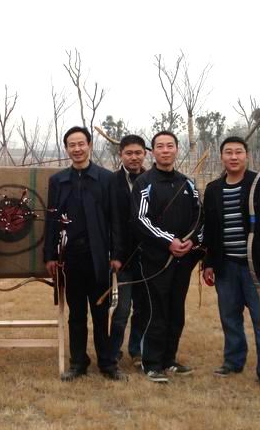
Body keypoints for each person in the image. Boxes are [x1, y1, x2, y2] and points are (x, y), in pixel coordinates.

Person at [203, 136, 260, 390]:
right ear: (221, 157)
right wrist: (208, 263)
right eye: (228, 152)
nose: (234, 157)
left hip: (255, 265)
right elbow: (210, 230)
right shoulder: (213, 189)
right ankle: (233, 360)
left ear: (246, 155)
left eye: (238, 152)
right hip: (226, 266)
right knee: (229, 317)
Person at [44, 126, 124, 381]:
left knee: (101, 314)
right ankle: (78, 363)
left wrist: (117, 254)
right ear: (66, 148)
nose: (77, 149)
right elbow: (52, 220)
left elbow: (116, 219)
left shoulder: (107, 179)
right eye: (72, 145)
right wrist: (50, 255)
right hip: (70, 259)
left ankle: (108, 363)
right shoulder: (57, 181)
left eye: (81, 144)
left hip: (99, 258)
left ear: (89, 145)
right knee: (76, 314)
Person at [130, 131, 203, 384]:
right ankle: (151, 363)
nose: (165, 150)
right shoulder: (144, 183)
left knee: (176, 310)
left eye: (169, 146)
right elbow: (140, 219)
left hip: (183, 260)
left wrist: (192, 241)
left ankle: (169, 359)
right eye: (160, 146)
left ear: (176, 149)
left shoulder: (188, 183)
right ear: (153, 152)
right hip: (155, 261)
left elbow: (200, 218)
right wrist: (169, 241)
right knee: (156, 311)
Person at [109, 135, 147, 368]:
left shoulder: (152, 180)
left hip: (148, 256)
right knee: (121, 309)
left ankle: (137, 351)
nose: (134, 157)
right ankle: (113, 351)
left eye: (138, 153)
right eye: (129, 153)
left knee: (143, 308)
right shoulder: (111, 182)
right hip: (121, 258)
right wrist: (114, 254)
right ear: (121, 155)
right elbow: (109, 220)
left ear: (145, 154)